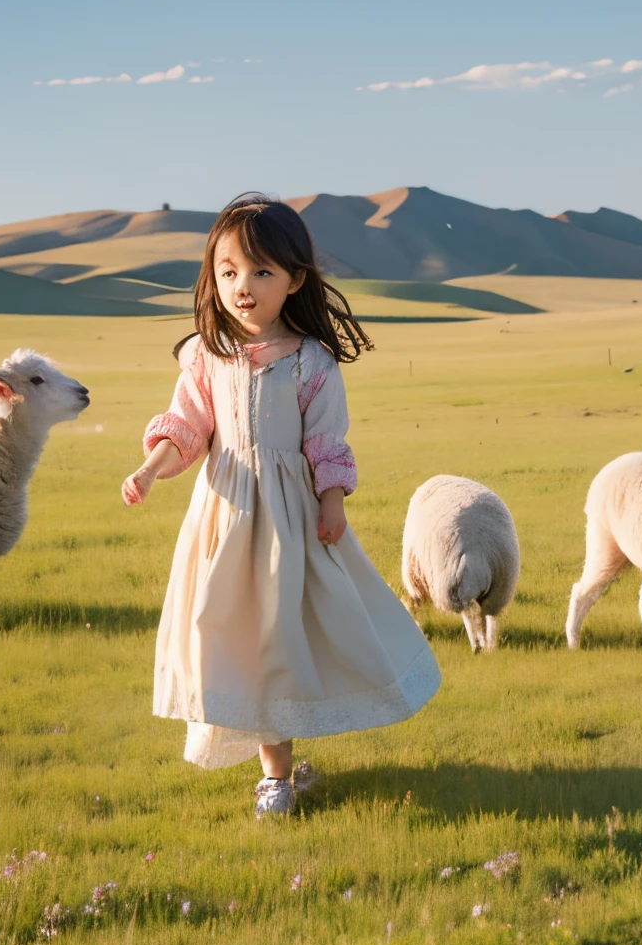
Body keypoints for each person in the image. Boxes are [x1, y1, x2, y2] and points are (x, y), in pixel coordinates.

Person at [123, 193, 441, 816]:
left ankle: (277, 773)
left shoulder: (311, 362)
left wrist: (331, 502)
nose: (244, 286)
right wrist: (150, 469)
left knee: (285, 631)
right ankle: (279, 767)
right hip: (223, 518)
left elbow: (326, 441)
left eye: (263, 271)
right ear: (212, 277)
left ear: (294, 280)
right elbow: (187, 427)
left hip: (290, 520)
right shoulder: (203, 355)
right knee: (231, 632)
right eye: (229, 271)